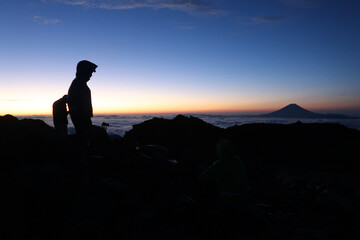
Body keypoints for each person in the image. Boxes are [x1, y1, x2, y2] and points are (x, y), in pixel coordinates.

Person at [67, 60, 97, 148]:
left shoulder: (79, 83)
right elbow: (76, 104)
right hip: (81, 118)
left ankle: (83, 156)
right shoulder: (78, 84)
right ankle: (82, 158)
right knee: (83, 140)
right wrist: (84, 117)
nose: (91, 75)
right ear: (83, 71)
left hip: (83, 118)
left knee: (84, 138)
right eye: (90, 72)